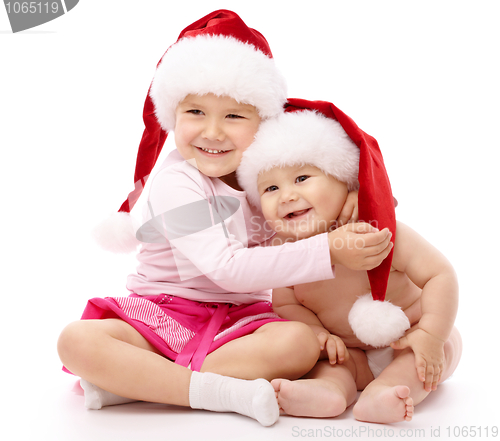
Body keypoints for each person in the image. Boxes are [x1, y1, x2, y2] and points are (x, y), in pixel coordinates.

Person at [57, 11, 393, 427]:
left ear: (264, 122)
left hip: (240, 324)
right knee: (77, 341)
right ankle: (218, 392)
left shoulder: (270, 180)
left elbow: (318, 209)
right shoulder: (174, 183)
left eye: (234, 116)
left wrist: (351, 198)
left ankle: (139, 384)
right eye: (195, 112)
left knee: (299, 342)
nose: (212, 133)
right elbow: (226, 269)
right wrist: (328, 248)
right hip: (162, 316)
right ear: (172, 116)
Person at [237, 100, 462, 423]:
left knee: (438, 351)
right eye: (271, 188)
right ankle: (328, 393)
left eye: (302, 178)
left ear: (345, 181)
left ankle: (385, 393)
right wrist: (317, 333)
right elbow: (286, 305)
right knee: (329, 366)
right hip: (347, 350)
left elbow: (440, 275)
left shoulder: (379, 228)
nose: (286, 195)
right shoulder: (284, 250)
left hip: (410, 336)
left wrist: (431, 333)